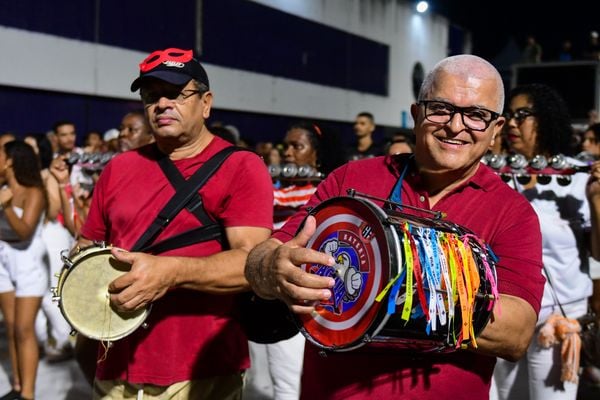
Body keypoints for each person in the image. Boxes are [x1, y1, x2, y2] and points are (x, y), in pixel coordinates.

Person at [245, 54, 547, 399]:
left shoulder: (513, 212)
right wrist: (271, 269)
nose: (455, 126)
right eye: (441, 109)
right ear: (417, 114)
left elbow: (517, 333)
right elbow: (265, 254)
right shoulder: (350, 179)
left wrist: (407, 279)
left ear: (495, 131)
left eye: (477, 115)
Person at [70, 47, 273, 399]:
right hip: (115, 365)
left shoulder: (241, 167)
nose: (162, 104)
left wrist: (171, 272)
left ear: (206, 103)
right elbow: (88, 246)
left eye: (177, 94)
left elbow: (252, 265)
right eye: (152, 96)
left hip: (197, 371)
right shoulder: (119, 167)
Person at [493, 83, 600, 400]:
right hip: (505, 312)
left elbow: (598, 252)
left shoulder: (579, 178)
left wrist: (596, 200)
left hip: (558, 319)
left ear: (547, 119)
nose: (511, 123)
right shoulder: (497, 177)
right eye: (508, 115)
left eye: (522, 115)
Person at [244, 121, 337, 400]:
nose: (288, 153)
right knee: (258, 382)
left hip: (296, 295)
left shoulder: (321, 192)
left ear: (316, 154)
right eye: (286, 147)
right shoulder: (276, 187)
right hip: (262, 291)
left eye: (298, 147)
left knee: (288, 383)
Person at [0, 140, 48, 400]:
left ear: (10, 160)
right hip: (4, 260)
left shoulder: (34, 192)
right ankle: (18, 386)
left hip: (28, 262)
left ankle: (28, 394)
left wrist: (6, 206)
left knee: (24, 329)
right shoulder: (2, 188)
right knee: (9, 326)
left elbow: (25, 231)